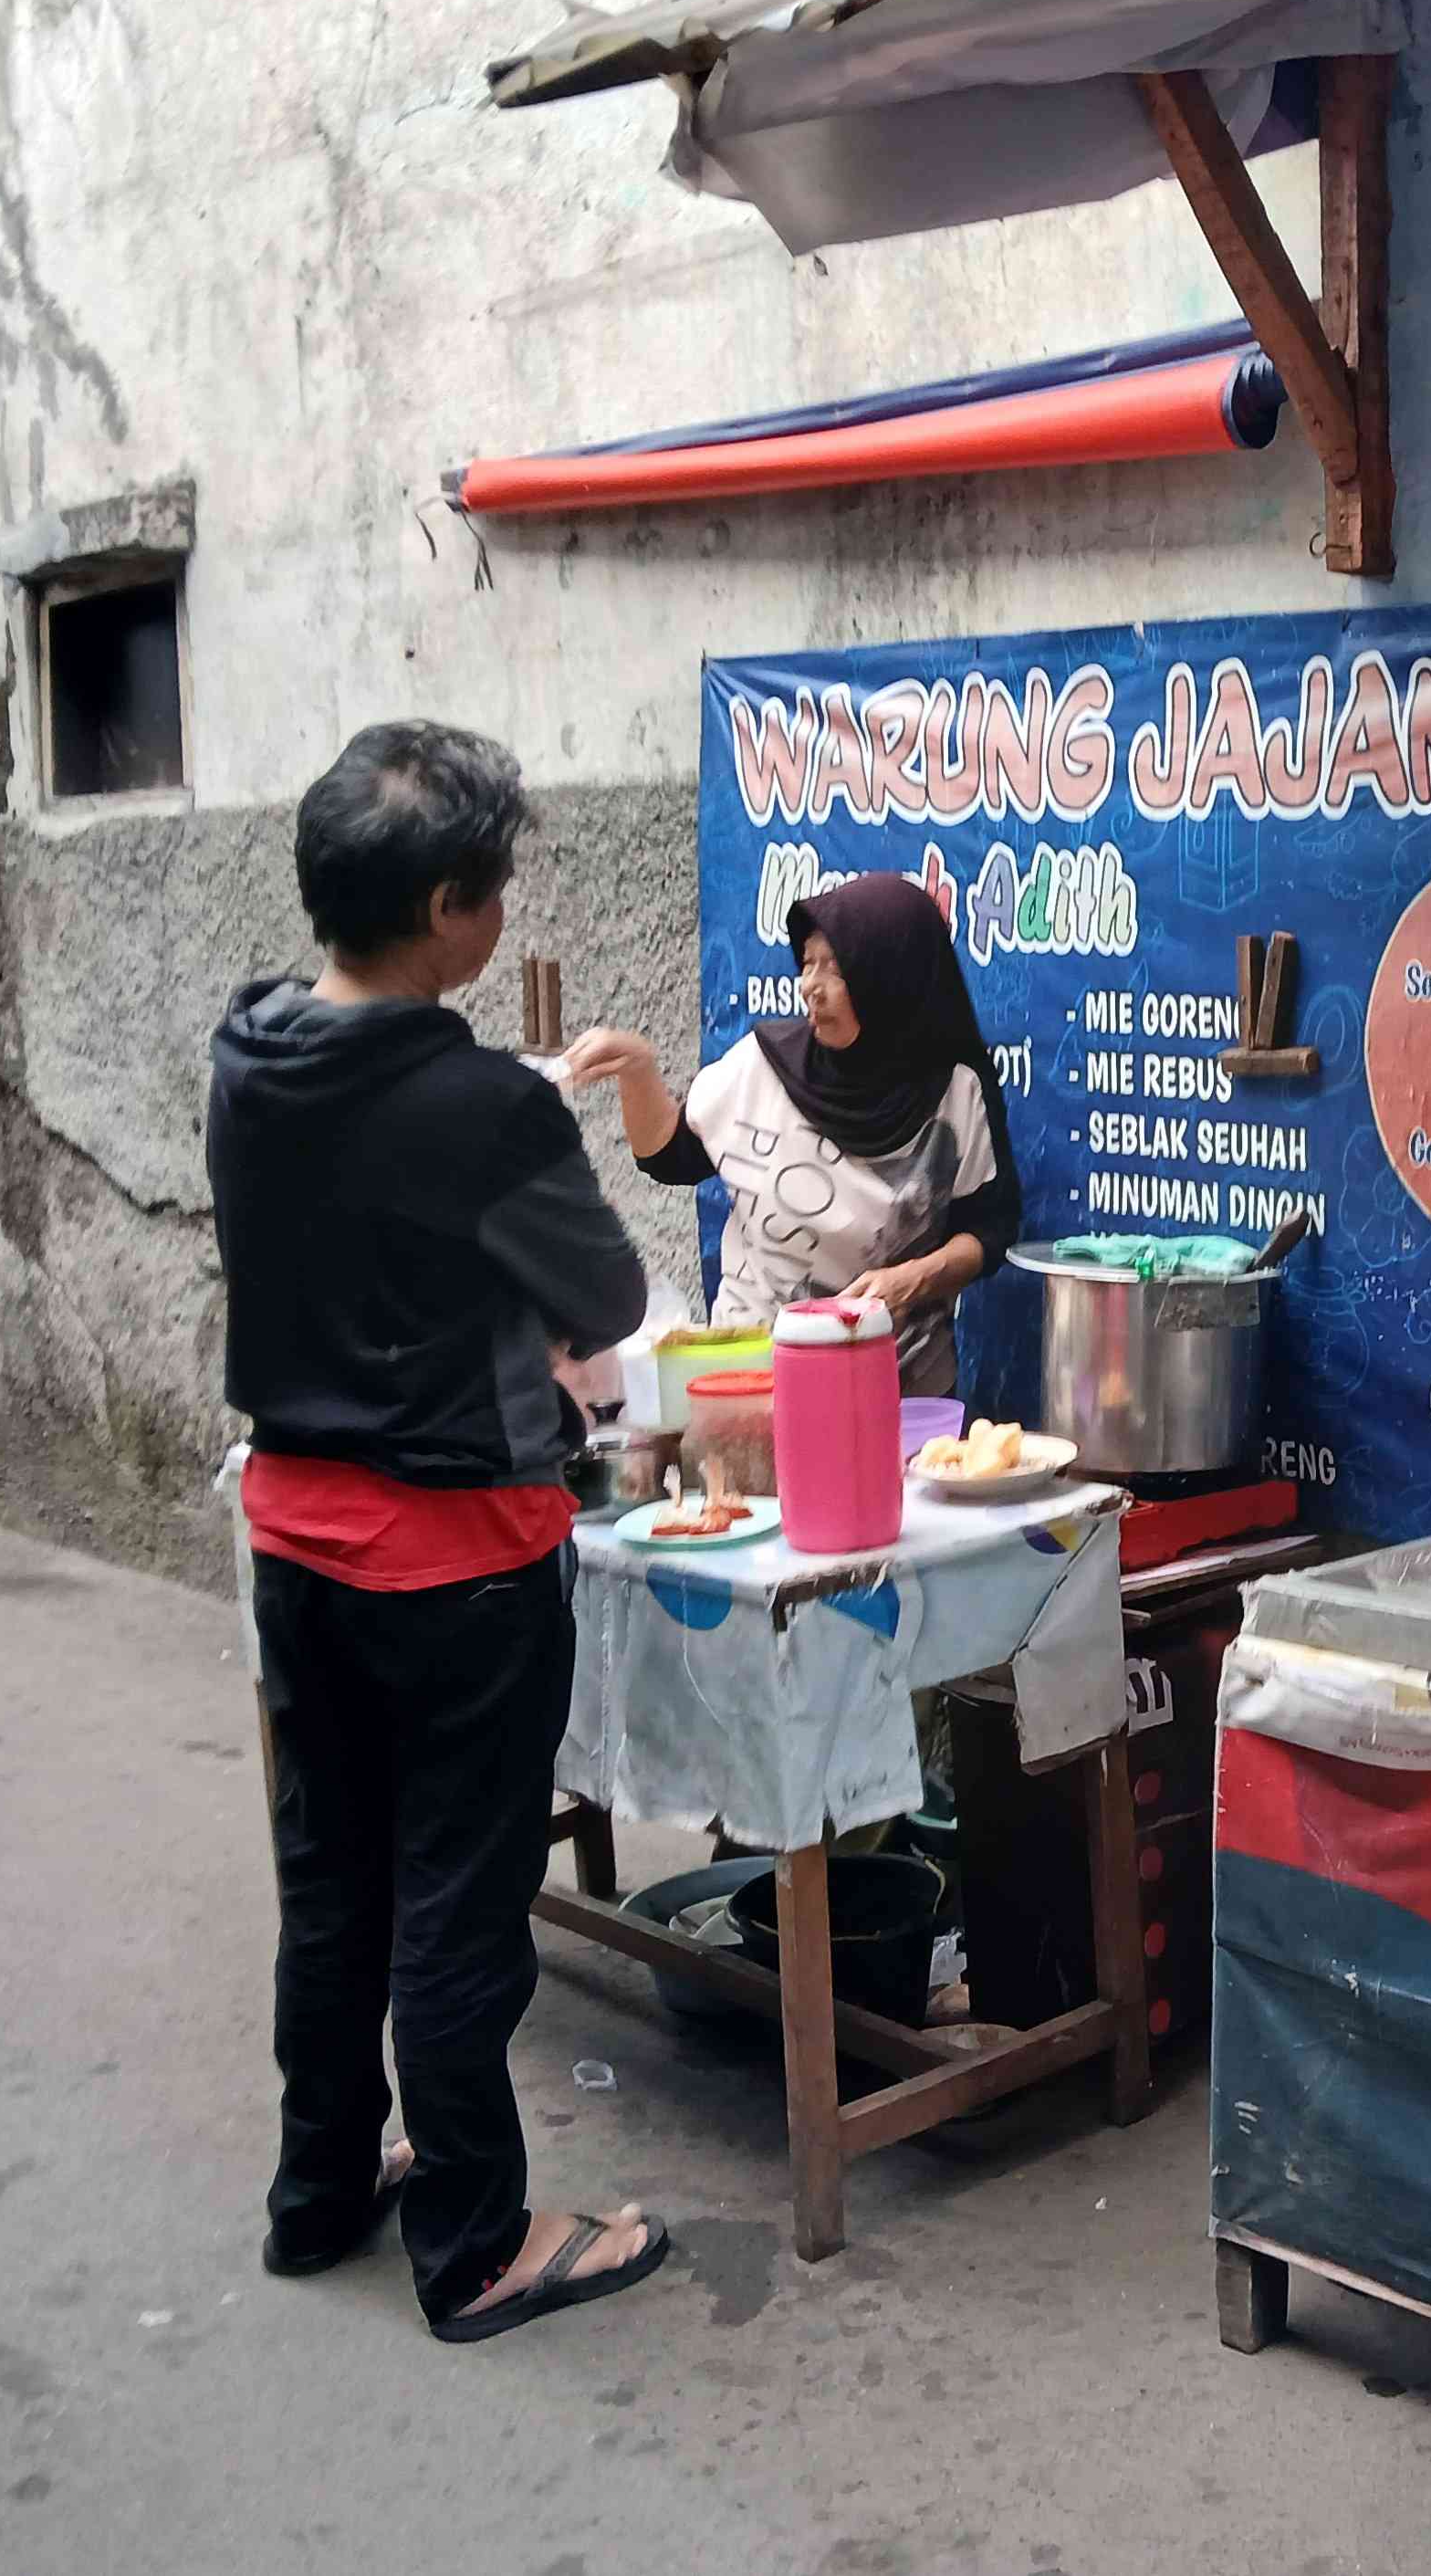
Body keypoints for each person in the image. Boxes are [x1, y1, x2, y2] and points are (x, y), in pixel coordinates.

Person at [207, 720, 674, 2344]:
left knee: (331, 1881)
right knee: (454, 1906)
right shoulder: (480, 1105)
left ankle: (321, 2186)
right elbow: (606, 1301)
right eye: (496, 888)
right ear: (454, 909)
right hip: (452, 1560)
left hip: (293, 1540)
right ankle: (477, 2244)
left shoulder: (248, 1049)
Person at [558, 872, 1019, 1391]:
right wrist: (638, 1070)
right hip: (756, 1380)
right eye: (807, 964)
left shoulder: (958, 1091)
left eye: (835, 968)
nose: (811, 987)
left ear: (891, 978)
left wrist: (913, 1279)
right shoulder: (763, 1065)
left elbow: (989, 1232)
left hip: (898, 1387)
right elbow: (667, 1157)